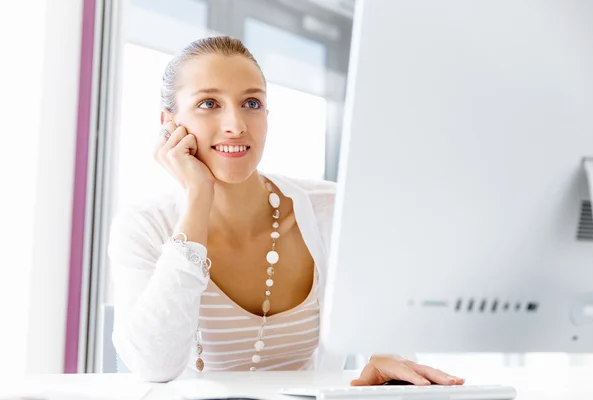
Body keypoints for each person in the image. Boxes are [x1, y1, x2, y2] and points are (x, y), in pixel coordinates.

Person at [108, 35, 466, 385]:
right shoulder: (143, 227)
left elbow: (392, 343)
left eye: (251, 103)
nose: (235, 125)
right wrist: (199, 198)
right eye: (209, 104)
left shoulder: (331, 211)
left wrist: (387, 359)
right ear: (168, 123)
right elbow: (154, 366)